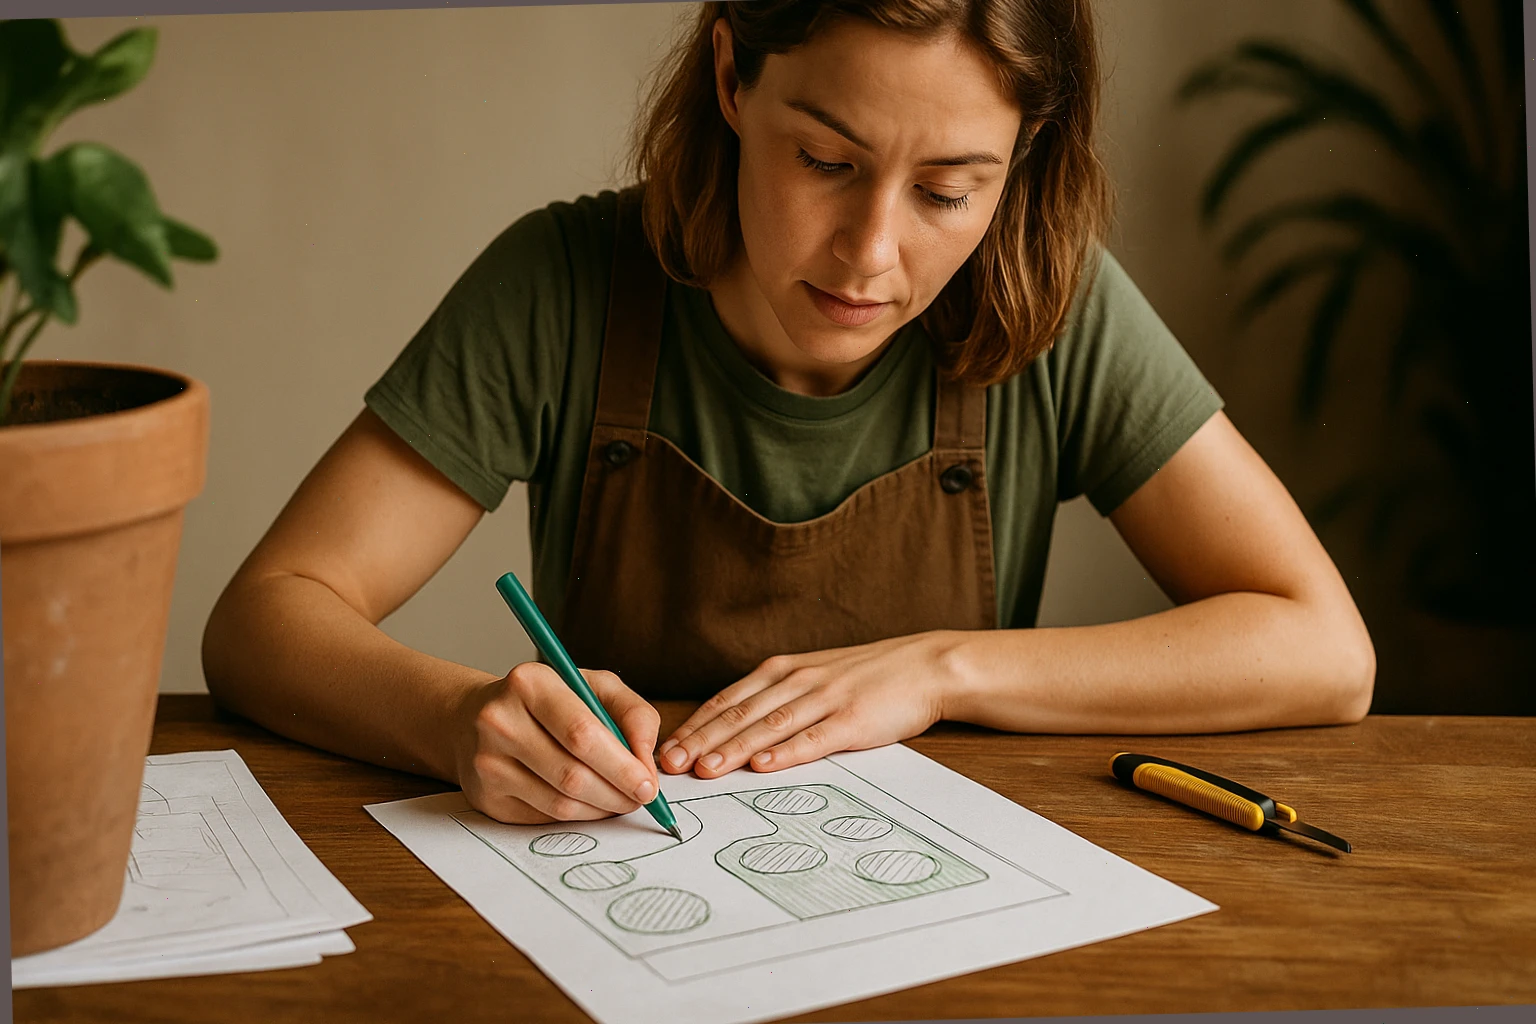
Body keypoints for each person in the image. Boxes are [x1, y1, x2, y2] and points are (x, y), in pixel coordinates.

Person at [203, 0, 1376, 828]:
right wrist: (456, 718)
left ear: (1025, 155)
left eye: (947, 190)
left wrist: (940, 670)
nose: (871, 255)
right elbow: (264, 619)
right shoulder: (563, 285)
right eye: (825, 158)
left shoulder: (1054, 306)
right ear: (730, 77)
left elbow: (1324, 650)